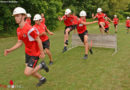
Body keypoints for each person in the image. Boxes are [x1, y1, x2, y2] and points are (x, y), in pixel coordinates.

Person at [4, 7, 49, 87]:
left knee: (27, 72)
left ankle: (42, 65)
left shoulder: (29, 29)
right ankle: (42, 79)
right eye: (15, 16)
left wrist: (42, 53)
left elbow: (38, 40)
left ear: (23, 16)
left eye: (18, 15)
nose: (16, 18)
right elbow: (19, 42)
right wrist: (10, 50)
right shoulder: (18, 29)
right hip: (27, 52)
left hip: (35, 53)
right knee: (30, 70)